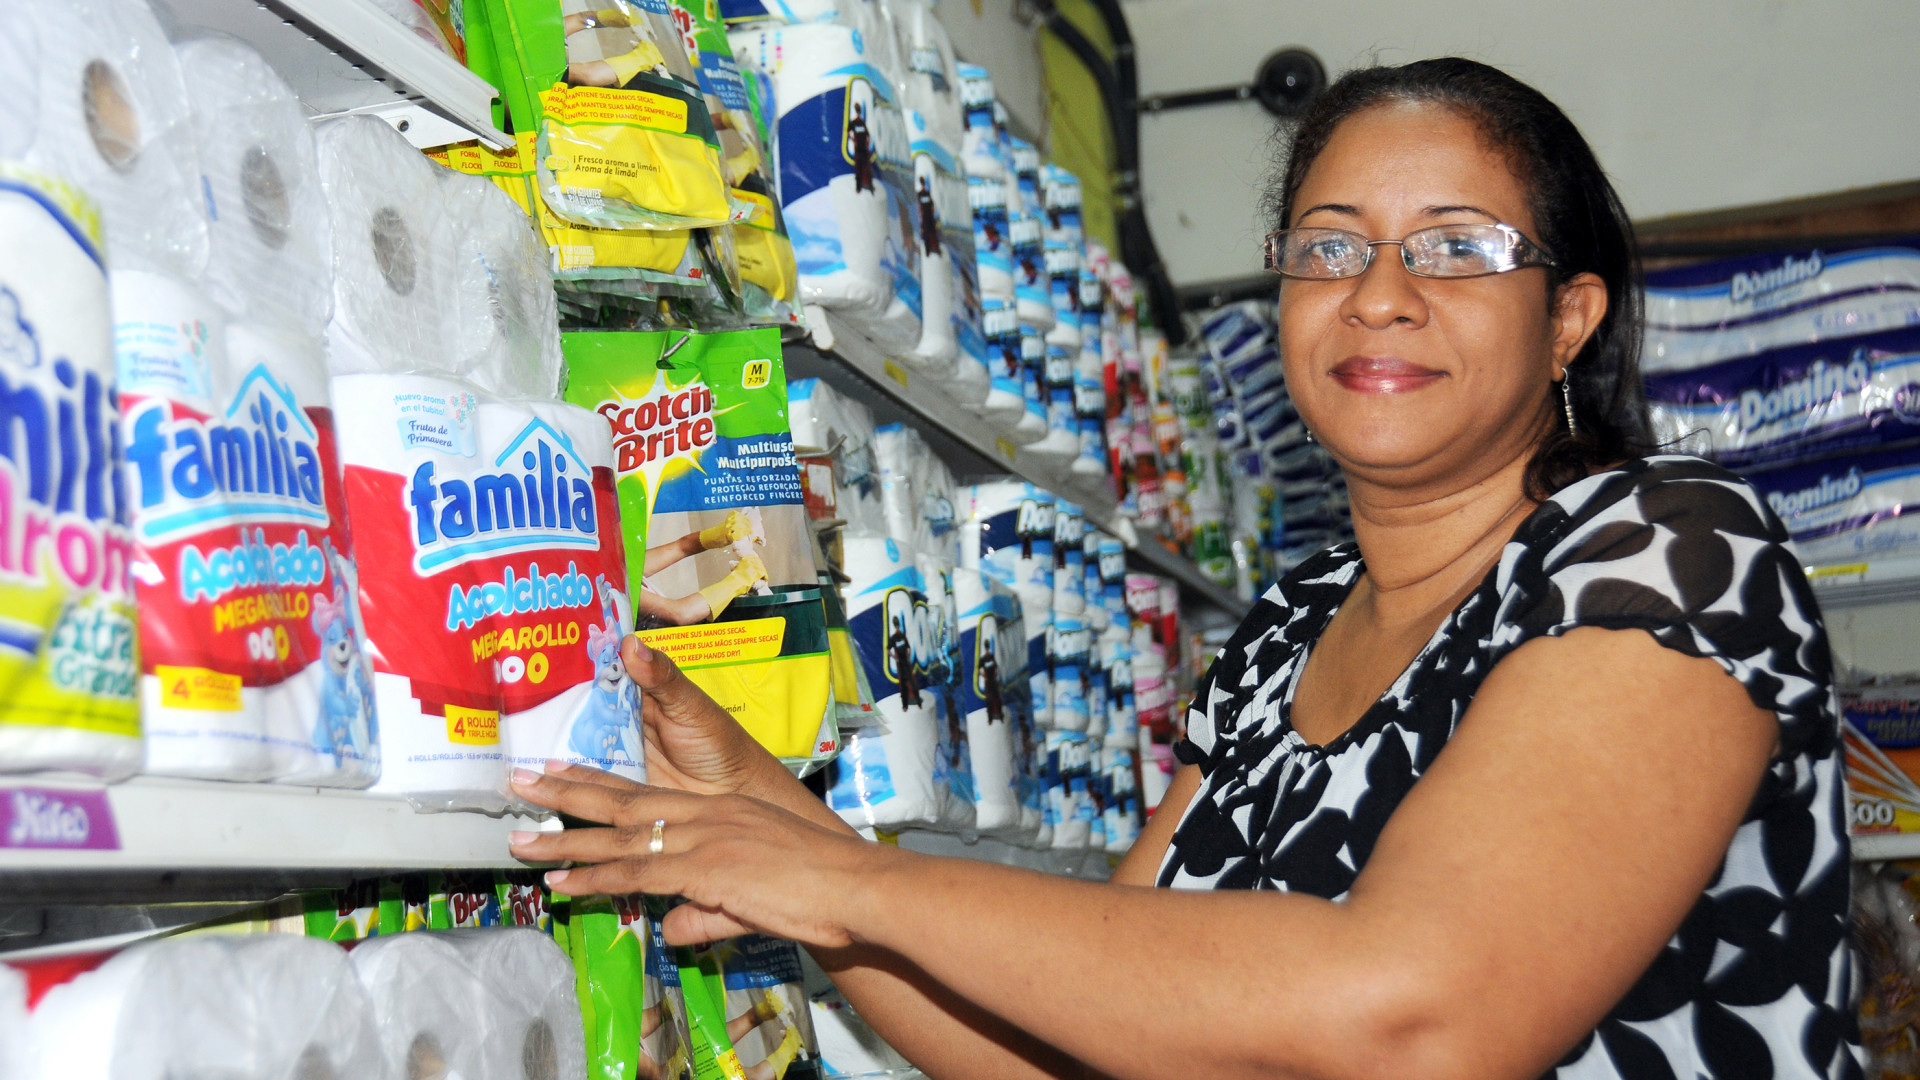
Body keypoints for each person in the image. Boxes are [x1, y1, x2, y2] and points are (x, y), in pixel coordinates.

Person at [509, 57, 1860, 1080]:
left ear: (1569, 317)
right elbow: (1080, 1041)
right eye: (1329, 248)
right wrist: (761, 814)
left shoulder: (1670, 552)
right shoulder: (1291, 632)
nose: (1379, 293)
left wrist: (848, 883)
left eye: (1456, 248)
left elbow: (1420, 1018)